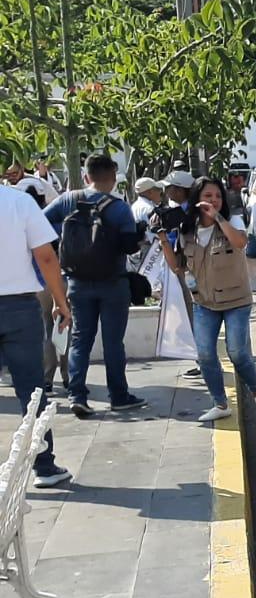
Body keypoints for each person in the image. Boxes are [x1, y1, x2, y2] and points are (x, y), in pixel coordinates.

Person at [160, 177, 256, 422]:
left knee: (237, 351)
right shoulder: (186, 229)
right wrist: (161, 236)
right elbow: (177, 267)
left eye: (217, 196)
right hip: (204, 301)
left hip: (236, 300)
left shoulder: (231, 220)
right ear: (196, 199)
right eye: (208, 196)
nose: (213, 200)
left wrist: (218, 218)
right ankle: (220, 403)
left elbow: (241, 242)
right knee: (205, 354)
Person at [42, 154, 146, 419]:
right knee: (113, 342)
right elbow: (129, 246)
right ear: (112, 179)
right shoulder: (120, 208)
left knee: (80, 340)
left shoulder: (67, 200)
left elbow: (41, 224)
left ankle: (77, 395)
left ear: (86, 176)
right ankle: (119, 396)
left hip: (76, 283)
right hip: (113, 283)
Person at [1, 174, 73, 487]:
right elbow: (45, 256)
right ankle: (44, 466)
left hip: (19, 307)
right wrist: (60, 301)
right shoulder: (19, 202)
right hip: (18, 308)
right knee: (32, 389)